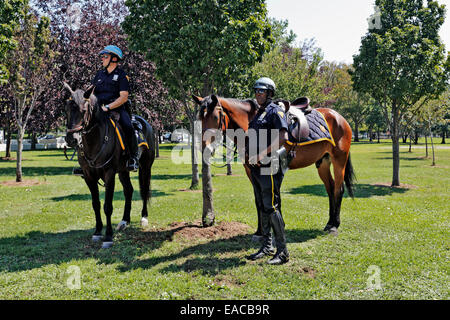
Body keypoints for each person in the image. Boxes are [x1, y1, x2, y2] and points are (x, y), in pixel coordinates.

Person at [73, 45, 138, 175]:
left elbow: (124, 97)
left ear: (114, 59)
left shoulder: (122, 76)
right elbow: (91, 92)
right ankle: (84, 163)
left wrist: (108, 107)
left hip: (117, 110)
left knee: (128, 127)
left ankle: (132, 159)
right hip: (99, 111)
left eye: (105, 56)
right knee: (83, 127)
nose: (102, 59)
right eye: (102, 56)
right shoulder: (99, 75)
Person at [246, 77, 290, 265]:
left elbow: (283, 137)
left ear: (270, 93)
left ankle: (283, 252)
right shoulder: (259, 113)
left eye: (262, 91)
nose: (258, 94)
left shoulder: (275, 111)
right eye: (256, 90)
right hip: (256, 166)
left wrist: (261, 154)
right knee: (263, 205)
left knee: (271, 206)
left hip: (269, 165)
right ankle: (266, 246)